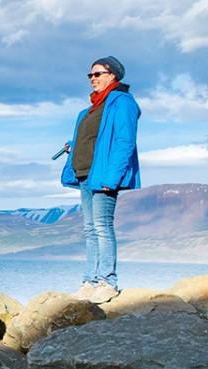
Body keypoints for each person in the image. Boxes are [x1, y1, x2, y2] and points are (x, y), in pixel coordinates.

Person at [61, 55, 140, 304]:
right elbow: (94, 139)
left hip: (104, 176)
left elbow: (124, 141)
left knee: (103, 228)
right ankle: (90, 281)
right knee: (90, 229)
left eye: (98, 74)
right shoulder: (90, 109)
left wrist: (113, 177)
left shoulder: (122, 103)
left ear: (112, 75)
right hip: (85, 174)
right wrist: (73, 147)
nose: (92, 79)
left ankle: (107, 281)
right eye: (90, 75)